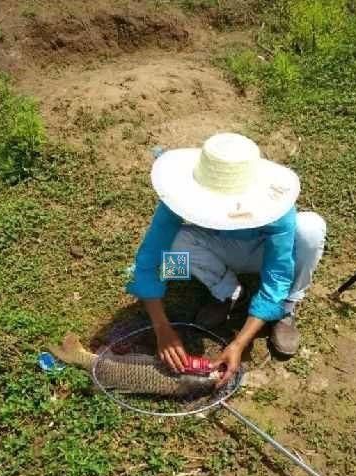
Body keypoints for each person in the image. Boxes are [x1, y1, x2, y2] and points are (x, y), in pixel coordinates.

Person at [126, 133, 326, 386]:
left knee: (311, 228)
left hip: (262, 251)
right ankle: (229, 293)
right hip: (219, 245)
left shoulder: (276, 208)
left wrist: (239, 344)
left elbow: (277, 275)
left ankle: (287, 307)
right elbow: (149, 260)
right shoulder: (179, 197)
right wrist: (162, 329)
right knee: (175, 244)